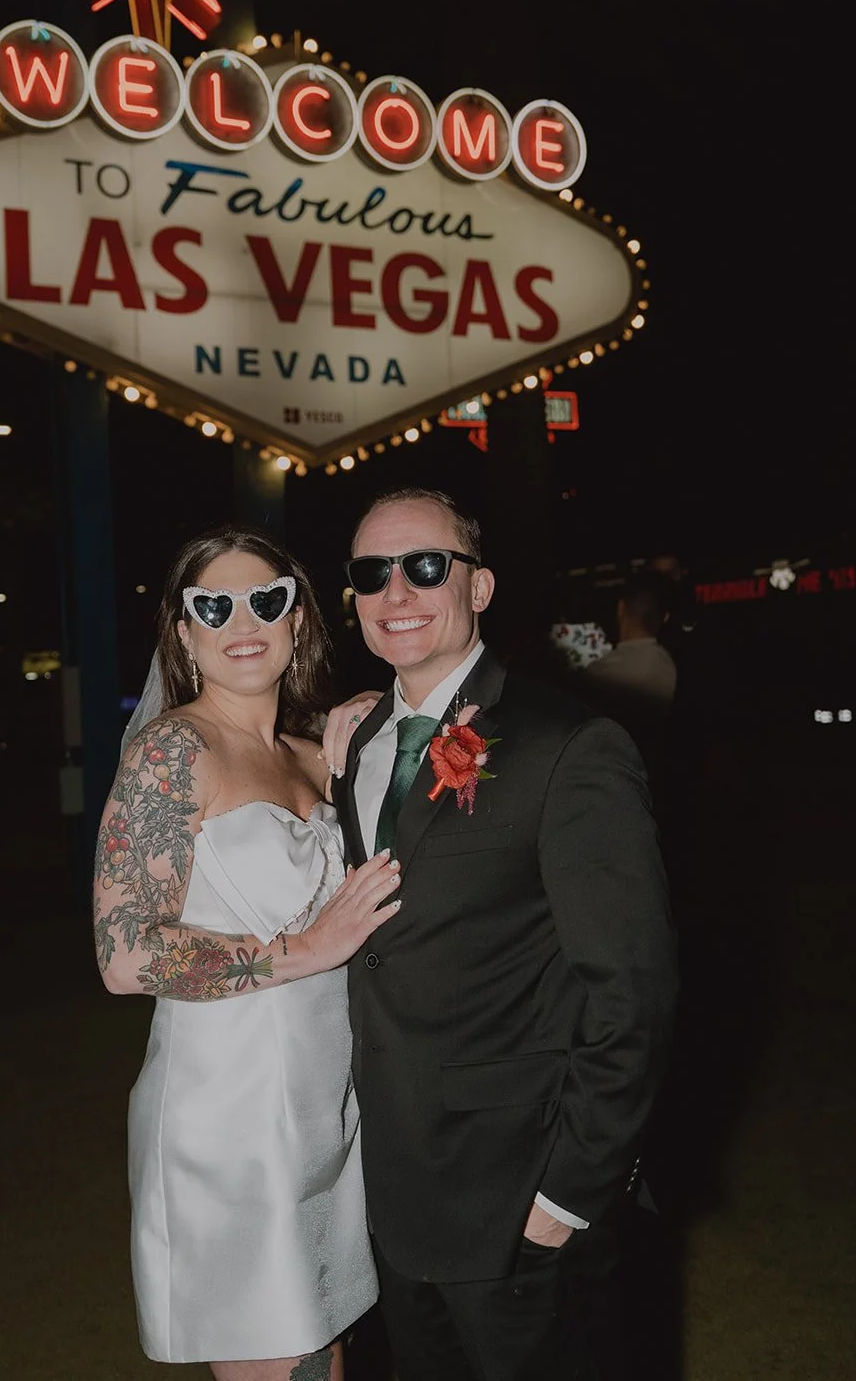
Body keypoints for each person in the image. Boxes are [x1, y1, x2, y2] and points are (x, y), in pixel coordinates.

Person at [324, 488, 678, 1381]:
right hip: (390, 1193)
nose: (395, 591)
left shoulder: (571, 745)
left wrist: (570, 1191)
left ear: (478, 588)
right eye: (372, 573)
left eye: (425, 567)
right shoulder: (357, 738)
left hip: (518, 1194)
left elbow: (631, 985)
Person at [94, 526, 402, 1380]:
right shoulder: (171, 753)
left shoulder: (312, 754)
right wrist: (302, 949)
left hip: (326, 1108)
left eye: (266, 599)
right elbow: (124, 957)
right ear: (183, 632)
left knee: (328, 1351)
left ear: (297, 619)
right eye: (213, 604)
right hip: (228, 1122)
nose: (243, 619)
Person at [575, 569, 678, 802]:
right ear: (664, 618)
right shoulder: (668, 665)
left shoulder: (599, 674)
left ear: (621, 609)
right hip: (656, 783)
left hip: (610, 787)